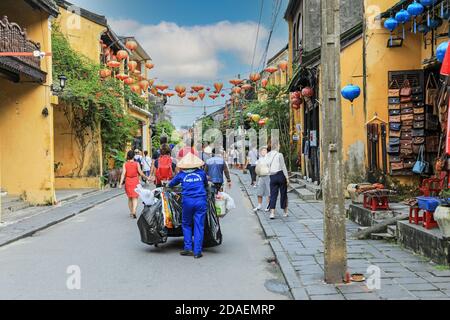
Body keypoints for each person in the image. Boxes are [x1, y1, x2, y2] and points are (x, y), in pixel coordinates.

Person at [169, 153, 208, 259]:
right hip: (201, 201)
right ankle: (197, 252)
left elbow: (171, 184)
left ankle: (188, 248)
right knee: (199, 225)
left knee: (186, 224)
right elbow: (206, 185)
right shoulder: (201, 173)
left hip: (187, 202)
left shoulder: (181, 175)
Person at [119, 150, 149, 219]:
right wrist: (146, 178)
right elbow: (141, 173)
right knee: (135, 197)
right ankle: (134, 210)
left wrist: (120, 183)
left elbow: (123, 174)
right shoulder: (137, 164)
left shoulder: (125, 164)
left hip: (128, 181)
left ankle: (131, 212)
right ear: (133, 156)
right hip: (135, 181)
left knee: (130, 198)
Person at [266, 144, 289, 219]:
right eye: (279, 145)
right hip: (280, 175)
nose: (280, 146)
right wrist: (287, 177)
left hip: (272, 176)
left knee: (273, 195)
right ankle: (285, 212)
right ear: (276, 147)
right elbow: (283, 166)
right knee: (283, 194)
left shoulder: (268, 155)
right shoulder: (280, 155)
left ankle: (272, 213)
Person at [253, 146, 271, 213]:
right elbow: (256, 168)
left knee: (268, 192)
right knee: (259, 191)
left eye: (265, 150)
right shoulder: (259, 160)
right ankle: (259, 205)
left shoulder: (269, 159)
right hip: (261, 177)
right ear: (260, 152)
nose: (263, 152)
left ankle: (268, 205)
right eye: (262, 151)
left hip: (268, 176)